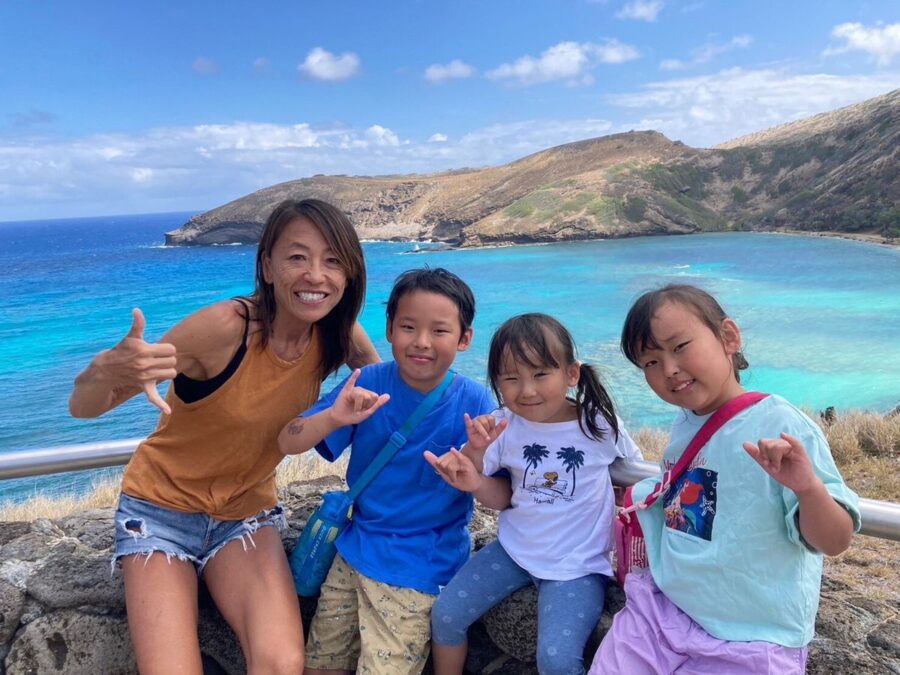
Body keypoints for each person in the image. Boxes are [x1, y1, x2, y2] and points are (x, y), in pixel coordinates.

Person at [69, 198, 379, 675]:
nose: (316, 275)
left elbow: (388, 390)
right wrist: (104, 368)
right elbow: (85, 407)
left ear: (349, 273)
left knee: (283, 664)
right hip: (160, 513)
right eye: (297, 257)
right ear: (268, 267)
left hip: (245, 515)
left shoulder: (336, 333)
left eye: (333, 260)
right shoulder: (223, 329)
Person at [591, 284, 861, 674]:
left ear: (729, 337)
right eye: (650, 362)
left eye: (680, 346)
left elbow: (835, 541)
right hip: (664, 615)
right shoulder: (685, 422)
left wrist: (808, 488)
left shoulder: (781, 425)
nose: (669, 369)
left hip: (752, 636)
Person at [278, 267, 496, 675]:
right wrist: (333, 417)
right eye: (409, 327)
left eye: (439, 331)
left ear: (464, 338)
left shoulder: (476, 402)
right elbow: (288, 442)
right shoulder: (368, 383)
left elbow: (494, 487)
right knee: (320, 665)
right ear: (390, 330)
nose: (422, 342)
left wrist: (476, 455)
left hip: (420, 565)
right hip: (353, 550)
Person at [425, 313, 642, 675]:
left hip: (577, 565)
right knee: (446, 615)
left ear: (571, 374)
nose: (526, 391)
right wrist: (474, 448)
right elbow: (476, 474)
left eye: (541, 375)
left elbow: (636, 474)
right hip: (514, 551)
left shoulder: (598, 424)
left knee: (556, 660)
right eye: (511, 379)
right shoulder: (503, 424)